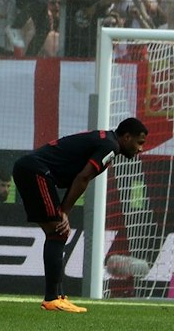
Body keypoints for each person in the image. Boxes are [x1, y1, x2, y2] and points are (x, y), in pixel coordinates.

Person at [11, 117, 150, 312]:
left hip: (31, 170)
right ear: (127, 137)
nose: (141, 149)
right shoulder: (110, 147)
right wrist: (64, 211)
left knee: (58, 233)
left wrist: (63, 211)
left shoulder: (106, 140)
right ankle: (52, 299)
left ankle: (58, 297)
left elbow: (80, 177)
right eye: (139, 142)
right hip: (36, 171)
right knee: (58, 232)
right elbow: (83, 177)